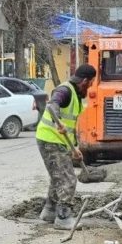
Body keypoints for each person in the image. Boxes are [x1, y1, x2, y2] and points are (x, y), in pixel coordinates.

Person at [34, 64, 97, 230]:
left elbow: (70, 126)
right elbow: (54, 103)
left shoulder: (75, 94)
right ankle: (63, 217)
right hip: (50, 139)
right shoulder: (65, 90)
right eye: (90, 83)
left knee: (58, 177)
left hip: (56, 140)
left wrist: (74, 149)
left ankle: (49, 211)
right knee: (67, 179)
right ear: (84, 81)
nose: (90, 87)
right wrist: (58, 121)